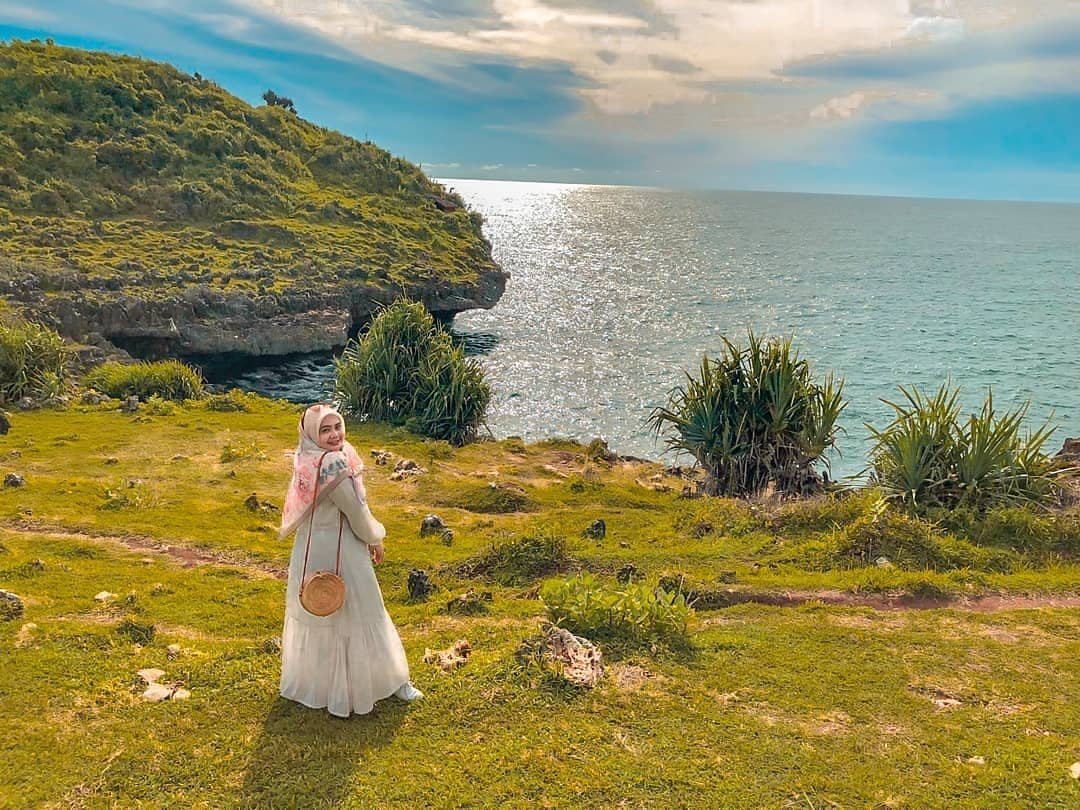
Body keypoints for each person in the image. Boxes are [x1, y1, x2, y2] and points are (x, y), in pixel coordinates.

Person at [278, 403, 422, 717]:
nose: (333, 435)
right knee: (365, 608)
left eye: (337, 426)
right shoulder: (331, 464)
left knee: (322, 612)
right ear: (313, 434)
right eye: (325, 429)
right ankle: (391, 681)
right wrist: (375, 537)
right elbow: (355, 510)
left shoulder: (306, 456)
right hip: (341, 547)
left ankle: (323, 685)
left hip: (311, 546)